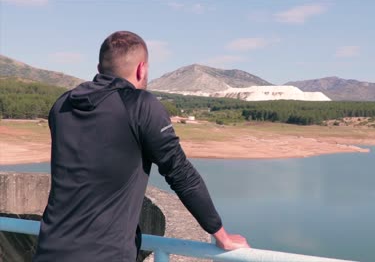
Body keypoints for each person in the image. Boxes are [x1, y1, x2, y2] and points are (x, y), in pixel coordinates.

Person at [33, 31, 249, 261]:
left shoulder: (61, 105)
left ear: (99, 68)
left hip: (49, 250)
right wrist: (221, 234)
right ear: (141, 69)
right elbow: (179, 172)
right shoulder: (139, 105)